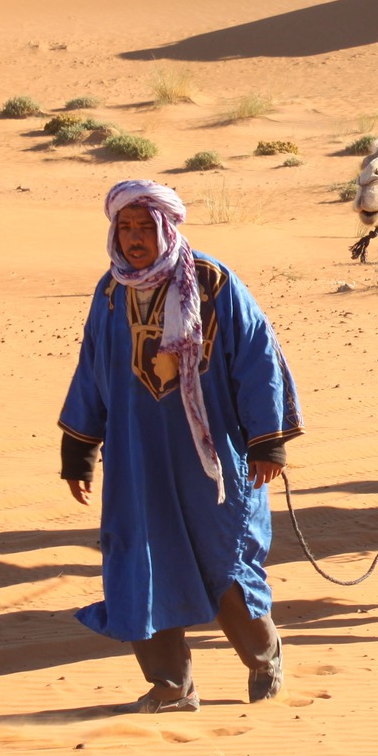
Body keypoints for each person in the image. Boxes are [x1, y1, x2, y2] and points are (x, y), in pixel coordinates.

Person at [58, 180, 305, 713]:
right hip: (136, 460)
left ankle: (263, 655)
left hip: (212, 460)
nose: (135, 239)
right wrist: (80, 449)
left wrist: (268, 442)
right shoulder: (109, 292)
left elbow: (258, 359)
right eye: (125, 228)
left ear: (167, 228)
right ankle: (172, 684)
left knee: (227, 562)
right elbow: (92, 372)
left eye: (146, 227)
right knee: (140, 565)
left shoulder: (213, 282)